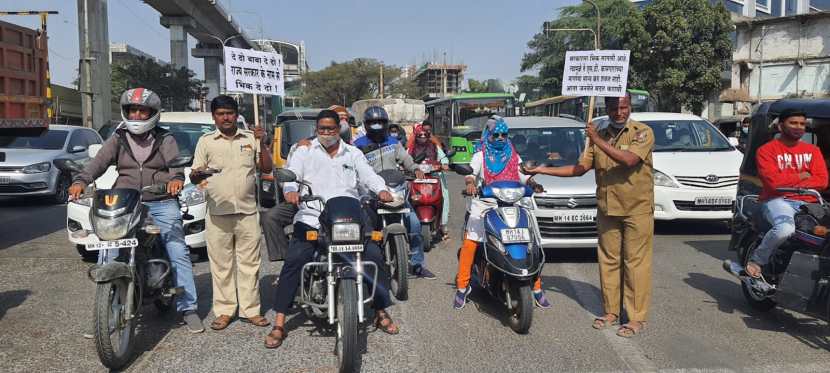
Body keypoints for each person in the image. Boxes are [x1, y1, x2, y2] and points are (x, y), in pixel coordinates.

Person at [68, 88, 203, 333]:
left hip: (160, 200)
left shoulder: (165, 138)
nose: (137, 115)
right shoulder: (118, 138)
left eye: (142, 111)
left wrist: (175, 180)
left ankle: (189, 308)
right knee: (108, 250)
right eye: (133, 110)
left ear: (152, 113)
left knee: (177, 249)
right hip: (126, 201)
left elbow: (175, 166)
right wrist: (80, 180)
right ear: (126, 112)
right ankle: (105, 314)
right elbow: (97, 163)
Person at [265, 110, 400, 348]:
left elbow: (368, 176)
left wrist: (381, 190)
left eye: (331, 129)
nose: (327, 133)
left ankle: (380, 310)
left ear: (340, 129)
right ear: (316, 129)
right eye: (322, 129)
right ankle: (279, 322)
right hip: (313, 215)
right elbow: (290, 177)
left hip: (349, 216)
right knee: (295, 259)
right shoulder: (304, 150)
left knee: (373, 256)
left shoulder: (353, 152)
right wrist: (290, 191)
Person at [524, 94, 654, 338]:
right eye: (614, 108)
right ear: (607, 108)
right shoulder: (600, 133)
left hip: (637, 208)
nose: (619, 112)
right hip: (607, 208)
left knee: (635, 263)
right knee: (608, 261)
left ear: (630, 107)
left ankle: (636, 318)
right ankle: (611, 312)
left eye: (623, 107)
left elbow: (629, 160)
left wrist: (596, 139)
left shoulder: (642, 132)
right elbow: (579, 169)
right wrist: (541, 169)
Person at [190, 95, 273, 331]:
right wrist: (199, 175)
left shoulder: (250, 138)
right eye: (220, 113)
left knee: (250, 264)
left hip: (247, 213)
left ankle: (251, 311)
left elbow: (266, 168)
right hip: (217, 214)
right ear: (214, 117)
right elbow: (194, 175)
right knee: (221, 266)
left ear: (237, 115)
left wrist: (263, 143)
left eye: (230, 113)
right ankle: (225, 311)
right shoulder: (206, 142)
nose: (226, 117)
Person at [454, 116, 551, 310]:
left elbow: (523, 174)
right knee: (471, 242)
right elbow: (471, 173)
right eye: (495, 134)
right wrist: (471, 183)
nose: (500, 138)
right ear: (488, 134)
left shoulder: (512, 153)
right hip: (486, 203)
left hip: (513, 201)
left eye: (504, 134)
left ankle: (537, 288)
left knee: (530, 242)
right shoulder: (480, 154)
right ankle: (462, 287)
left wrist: (533, 184)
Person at [742, 109, 828, 279]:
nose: (799, 127)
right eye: (793, 123)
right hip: (778, 200)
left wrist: (789, 180)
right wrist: (802, 175)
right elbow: (774, 184)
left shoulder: (813, 151)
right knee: (785, 229)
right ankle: (757, 260)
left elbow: (822, 181)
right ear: (781, 126)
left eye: (802, 124)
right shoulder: (766, 151)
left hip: (810, 204)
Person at [353, 106, 437, 280]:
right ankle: (365, 266)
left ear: (386, 123)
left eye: (380, 122)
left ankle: (417, 265)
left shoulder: (393, 142)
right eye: (372, 122)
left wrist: (415, 169)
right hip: (371, 194)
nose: (376, 125)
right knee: (365, 229)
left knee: (414, 224)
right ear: (366, 125)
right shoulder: (357, 146)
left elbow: (406, 159)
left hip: (395, 191)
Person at [408, 123, 451, 241]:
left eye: (425, 136)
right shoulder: (411, 148)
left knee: (444, 197)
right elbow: (405, 160)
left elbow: (443, 158)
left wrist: (445, 164)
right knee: (407, 197)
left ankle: (443, 224)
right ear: (416, 136)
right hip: (416, 177)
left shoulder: (434, 146)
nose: (422, 138)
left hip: (434, 176)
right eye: (420, 136)